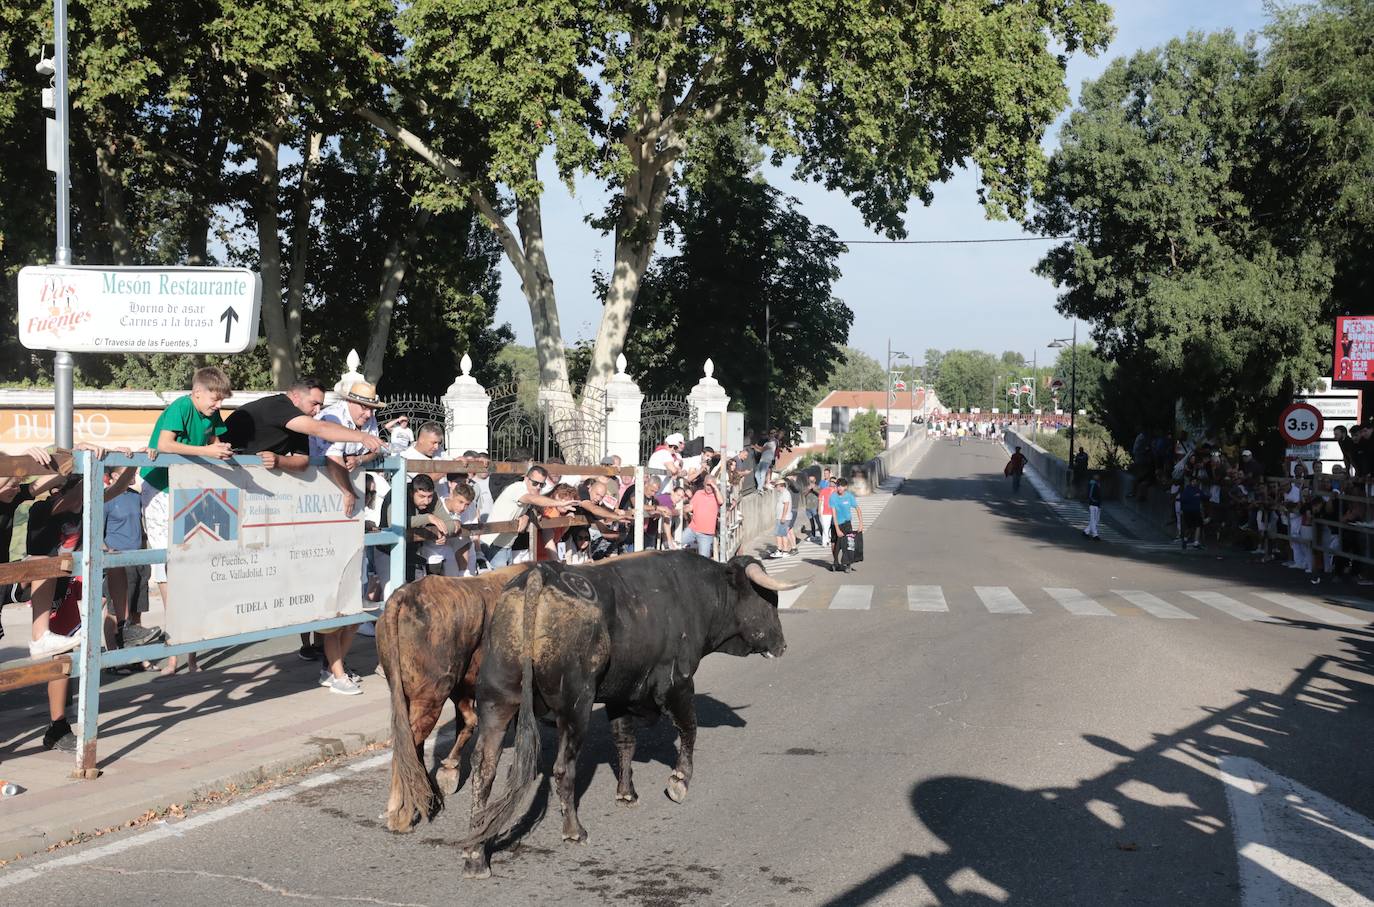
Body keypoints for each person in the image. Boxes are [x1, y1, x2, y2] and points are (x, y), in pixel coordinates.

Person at [140, 367, 235, 676]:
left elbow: (217, 442)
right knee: (167, 568)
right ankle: (175, 650)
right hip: (160, 489)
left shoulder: (211, 414)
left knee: (190, 566)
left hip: (187, 490)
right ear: (198, 392)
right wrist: (206, 451)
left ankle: (188, 651)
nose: (218, 405)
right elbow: (165, 444)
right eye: (215, 398)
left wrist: (220, 450)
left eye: (221, 400)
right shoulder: (180, 406)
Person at [309, 381, 388, 695]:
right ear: (349, 403)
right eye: (363, 406)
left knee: (352, 602)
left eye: (370, 408)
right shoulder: (332, 418)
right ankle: (334, 669)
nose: (367, 413)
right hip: (326, 505)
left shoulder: (366, 421)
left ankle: (335, 665)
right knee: (335, 599)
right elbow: (331, 458)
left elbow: (375, 448)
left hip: (349, 510)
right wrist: (346, 489)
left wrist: (360, 461)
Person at [481, 465, 577, 567]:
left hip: (506, 545)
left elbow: (532, 504)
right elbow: (533, 499)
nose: (538, 487)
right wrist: (560, 503)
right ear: (526, 479)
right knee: (499, 581)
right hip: (494, 544)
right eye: (535, 483)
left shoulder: (529, 491)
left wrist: (527, 515)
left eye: (541, 485)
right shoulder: (518, 488)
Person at [681, 474, 723, 557]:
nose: (709, 487)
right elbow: (691, 507)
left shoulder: (716, 495)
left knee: (703, 559)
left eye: (712, 485)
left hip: (706, 534)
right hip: (692, 529)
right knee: (676, 545)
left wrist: (715, 488)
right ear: (704, 484)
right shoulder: (698, 493)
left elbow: (721, 501)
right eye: (708, 485)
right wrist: (680, 509)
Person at [828, 478, 861, 572]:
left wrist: (861, 524)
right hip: (836, 524)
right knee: (835, 544)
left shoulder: (849, 497)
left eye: (842, 486)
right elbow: (834, 514)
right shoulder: (833, 497)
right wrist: (837, 529)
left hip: (847, 524)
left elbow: (857, 509)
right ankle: (835, 562)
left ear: (846, 487)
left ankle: (848, 564)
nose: (840, 488)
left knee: (848, 544)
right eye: (838, 486)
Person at [769, 478, 794, 558]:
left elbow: (786, 505)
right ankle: (781, 550)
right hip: (781, 517)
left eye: (777, 486)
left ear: (781, 486)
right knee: (779, 534)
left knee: (782, 534)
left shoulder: (785, 493)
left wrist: (783, 516)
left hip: (783, 518)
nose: (776, 487)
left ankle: (784, 551)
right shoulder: (783, 493)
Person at [1082, 474, 1103, 540]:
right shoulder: (1093, 484)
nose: (1098, 477)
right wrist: (1094, 501)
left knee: (1096, 520)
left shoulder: (1097, 484)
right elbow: (1090, 495)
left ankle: (1086, 531)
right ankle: (1095, 535)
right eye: (1096, 476)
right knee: (1094, 520)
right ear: (1094, 478)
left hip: (1097, 504)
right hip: (1093, 504)